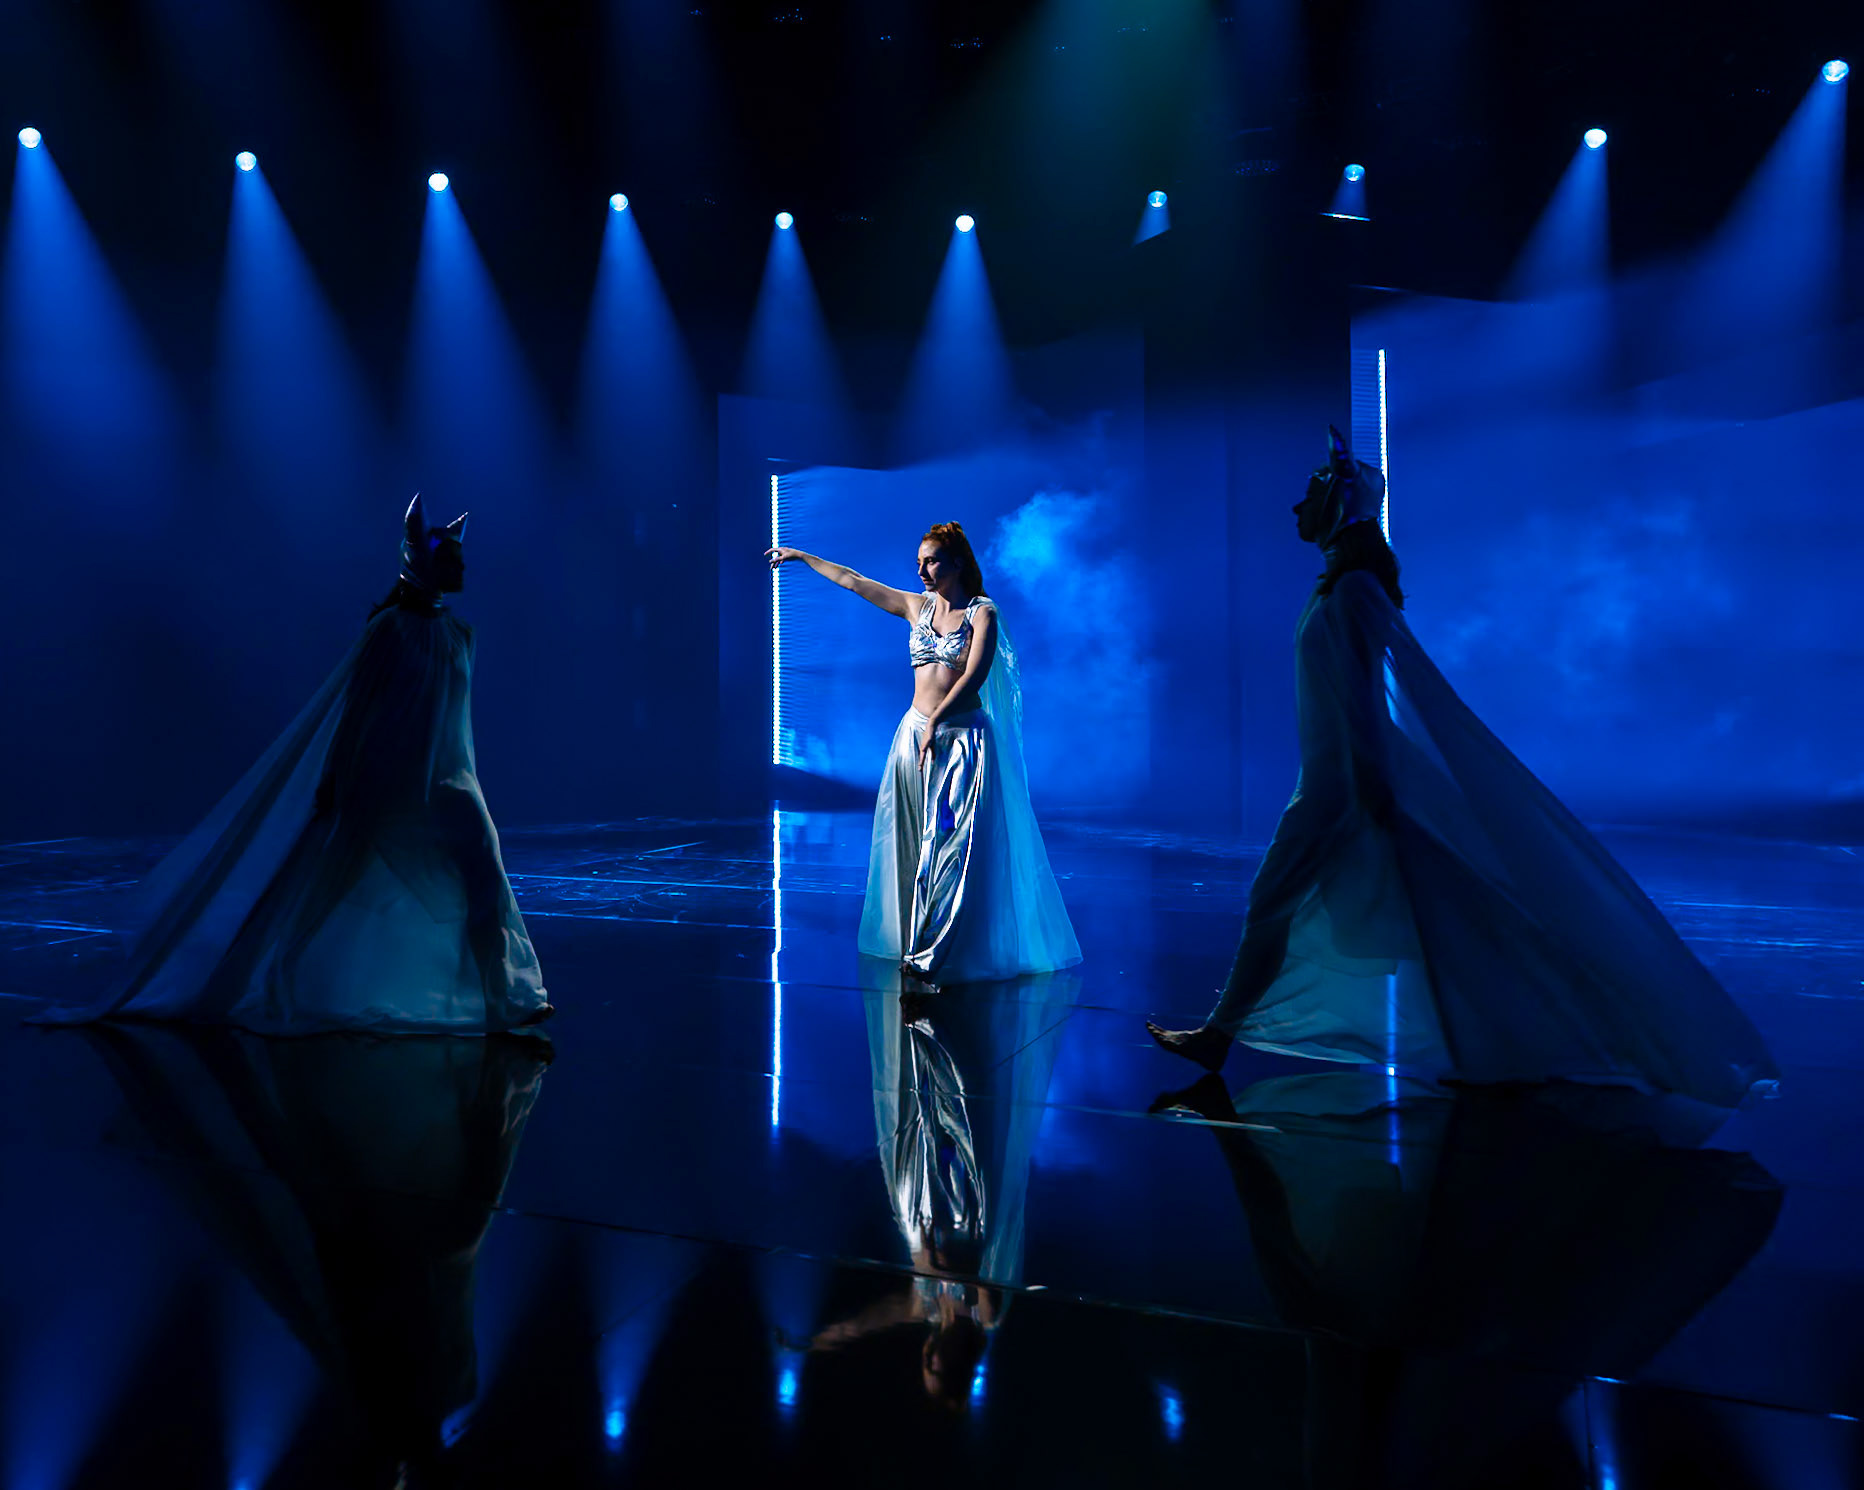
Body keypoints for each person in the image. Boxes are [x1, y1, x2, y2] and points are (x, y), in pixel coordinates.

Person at [1148, 430, 1777, 1109]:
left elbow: (1365, 703)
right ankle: (1497, 1044)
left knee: (1386, 911)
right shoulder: (1341, 586)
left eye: (1309, 496)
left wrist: (1374, 790)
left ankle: (1227, 1037)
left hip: (1346, 789)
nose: (1295, 508)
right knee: (1444, 914)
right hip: (1341, 784)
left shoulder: (1353, 590)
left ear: (1335, 508)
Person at [36, 494, 551, 1034]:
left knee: (485, 876)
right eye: (451, 559)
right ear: (422, 562)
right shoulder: (391, 630)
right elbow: (358, 711)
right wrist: (338, 777)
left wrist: (463, 778)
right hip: (386, 780)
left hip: (446, 783)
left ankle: (504, 999)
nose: (462, 568)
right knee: (326, 886)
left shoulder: (460, 635)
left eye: (460, 560)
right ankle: (272, 976)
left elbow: (454, 723)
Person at [766, 523, 1079, 983]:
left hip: (962, 740)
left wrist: (937, 722)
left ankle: (939, 950)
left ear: (957, 562)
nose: (922, 570)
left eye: (931, 561)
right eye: (919, 562)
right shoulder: (917, 607)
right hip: (913, 735)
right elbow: (854, 581)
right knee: (913, 840)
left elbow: (973, 676)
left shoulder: (982, 613)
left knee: (950, 846)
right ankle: (916, 939)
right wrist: (801, 556)